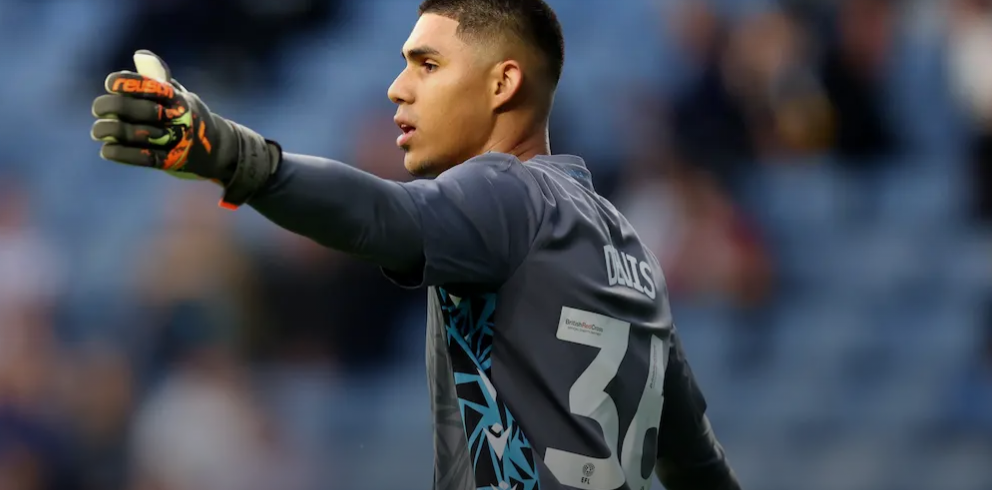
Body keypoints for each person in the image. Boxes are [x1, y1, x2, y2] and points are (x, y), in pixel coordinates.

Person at [88, 0, 742, 488]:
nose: (400, 89)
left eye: (429, 66)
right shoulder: (621, 243)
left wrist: (236, 157)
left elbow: (382, 215)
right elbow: (695, 462)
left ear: (501, 85)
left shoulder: (503, 194)